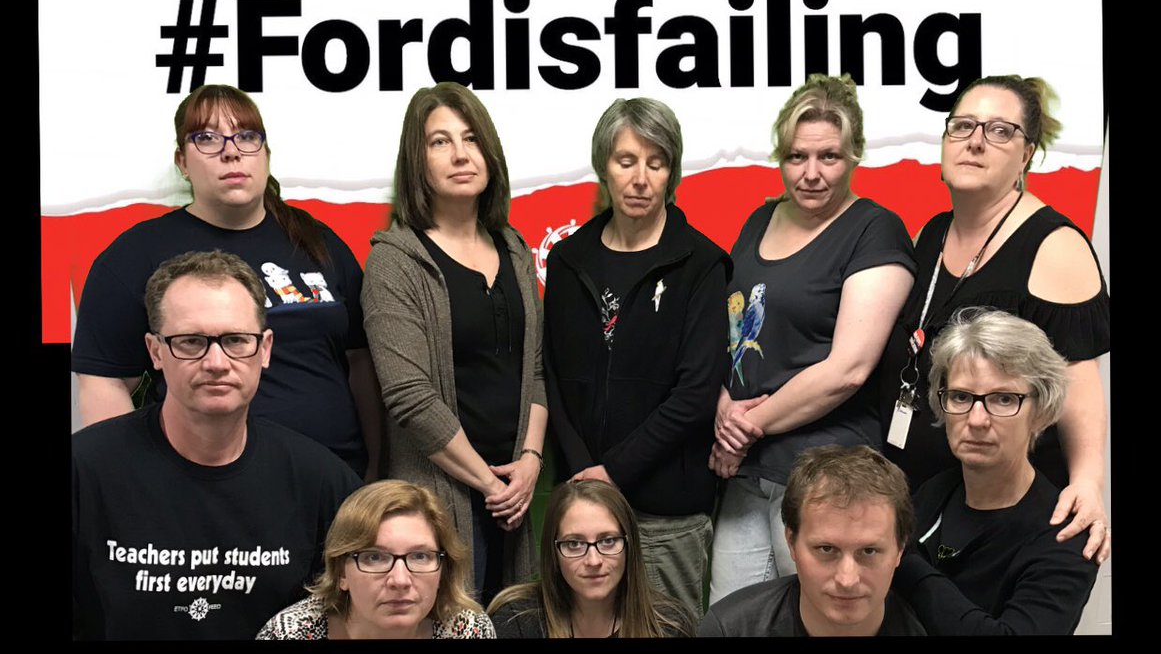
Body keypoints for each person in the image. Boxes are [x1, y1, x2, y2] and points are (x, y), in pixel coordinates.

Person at [71, 84, 383, 479]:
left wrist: (376, 468)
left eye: (247, 136)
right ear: (182, 162)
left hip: (339, 481)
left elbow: (361, 362)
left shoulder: (316, 241)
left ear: (266, 154)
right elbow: (105, 380)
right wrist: (131, 484)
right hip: (206, 488)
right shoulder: (137, 254)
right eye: (207, 138)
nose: (231, 151)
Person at [878, 75, 1111, 563]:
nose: (976, 141)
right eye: (963, 126)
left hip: (1000, 519)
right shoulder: (933, 232)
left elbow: (1078, 379)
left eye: (1000, 130)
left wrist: (1089, 482)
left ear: (1027, 154)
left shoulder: (1053, 246)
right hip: (924, 501)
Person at [72, 251, 362, 640]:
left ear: (265, 349)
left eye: (236, 340)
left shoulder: (321, 482)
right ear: (155, 352)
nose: (216, 362)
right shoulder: (84, 471)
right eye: (191, 342)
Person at [707, 74, 916, 603]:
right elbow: (731, 332)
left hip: (827, 474)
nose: (812, 173)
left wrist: (743, 427)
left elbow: (848, 369)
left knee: (823, 616)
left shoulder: (875, 230)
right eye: (797, 156)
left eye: (830, 157)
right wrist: (722, 406)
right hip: (746, 470)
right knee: (731, 619)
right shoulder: (760, 218)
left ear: (855, 156)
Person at [541, 97, 730, 617]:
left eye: (656, 162)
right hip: (581, 507)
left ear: (672, 172)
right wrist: (585, 474)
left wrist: (612, 472)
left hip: (666, 513)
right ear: (604, 166)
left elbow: (695, 394)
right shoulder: (568, 260)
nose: (641, 179)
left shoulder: (702, 263)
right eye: (626, 161)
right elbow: (551, 375)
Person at [361, 82, 546, 605]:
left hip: (513, 495)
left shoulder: (514, 249)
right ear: (417, 161)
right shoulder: (395, 261)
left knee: (511, 622)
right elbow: (409, 397)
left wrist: (530, 461)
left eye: (471, 138)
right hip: (440, 498)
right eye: (440, 142)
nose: (461, 154)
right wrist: (490, 485)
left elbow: (534, 371)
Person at [891, 308, 1099, 634]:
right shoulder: (934, 493)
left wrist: (902, 558)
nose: (977, 420)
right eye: (961, 397)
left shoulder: (1064, 535)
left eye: (1003, 399)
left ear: (1042, 411)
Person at [700, 444, 924, 636]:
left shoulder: (930, 627)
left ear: (900, 549)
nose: (847, 580)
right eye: (826, 549)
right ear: (791, 543)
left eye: (869, 551)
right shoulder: (731, 629)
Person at [257, 480, 495, 639]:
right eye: (375, 557)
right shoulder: (289, 633)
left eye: (420, 556)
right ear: (341, 573)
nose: (400, 580)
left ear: (443, 570)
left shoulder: (468, 629)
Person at [488, 480, 694, 638]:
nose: (594, 561)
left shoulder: (668, 625)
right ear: (554, 552)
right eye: (574, 544)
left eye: (608, 541)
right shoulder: (516, 620)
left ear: (629, 547)